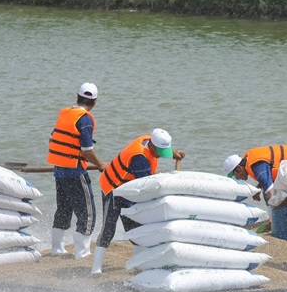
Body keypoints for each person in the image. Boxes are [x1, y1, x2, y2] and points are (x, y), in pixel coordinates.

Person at [91, 129, 186, 274]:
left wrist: (173, 153)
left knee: (136, 228)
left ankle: (139, 264)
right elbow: (146, 187)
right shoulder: (139, 158)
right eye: (160, 152)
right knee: (108, 228)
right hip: (113, 189)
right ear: (152, 146)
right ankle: (96, 268)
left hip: (129, 190)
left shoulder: (149, 139)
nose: (161, 155)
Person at [47, 82, 106, 259]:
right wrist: (101, 164)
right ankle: (82, 252)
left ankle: (57, 248)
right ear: (95, 102)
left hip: (59, 169)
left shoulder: (65, 113)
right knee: (87, 213)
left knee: (63, 208)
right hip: (74, 171)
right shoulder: (86, 118)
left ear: (77, 97)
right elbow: (87, 151)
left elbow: (53, 137)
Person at [222, 145, 287, 202]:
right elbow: (267, 173)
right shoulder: (253, 163)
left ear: (239, 168)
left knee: (268, 194)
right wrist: (259, 186)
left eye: (234, 175)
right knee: (267, 192)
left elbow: (271, 192)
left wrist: (274, 213)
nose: (237, 178)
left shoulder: (257, 168)